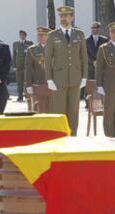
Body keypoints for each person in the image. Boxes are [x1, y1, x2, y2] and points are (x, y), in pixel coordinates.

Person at [45, 6, 88, 136]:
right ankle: (60, 136)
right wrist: (49, 79)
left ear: (72, 18)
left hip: (75, 78)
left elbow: (84, 57)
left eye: (66, 16)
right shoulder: (53, 35)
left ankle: (73, 136)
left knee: (74, 111)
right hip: (59, 80)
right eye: (61, 16)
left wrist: (84, 77)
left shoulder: (79, 34)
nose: (63, 19)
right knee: (59, 111)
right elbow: (48, 59)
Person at [25, 26, 52, 113]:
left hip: (53, 84)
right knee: (39, 109)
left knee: (52, 110)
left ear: (48, 36)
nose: (40, 37)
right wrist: (28, 85)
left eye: (43, 35)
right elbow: (28, 69)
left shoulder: (54, 49)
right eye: (39, 35)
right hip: (38, 84)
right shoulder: (32, 49)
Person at [13, 30, 34, 102]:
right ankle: (20, 96)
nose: (22, 36)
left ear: (25, 36)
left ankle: (27, 96)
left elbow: (32, 54)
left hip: (26, 66)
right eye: (20, 35)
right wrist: (14, 66)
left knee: (26, 81)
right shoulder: (15, 44)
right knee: (19, 82)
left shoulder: (30, 43)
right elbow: (14, 55)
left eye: (23, 35)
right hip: (18, 67)